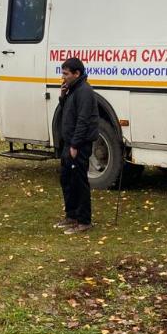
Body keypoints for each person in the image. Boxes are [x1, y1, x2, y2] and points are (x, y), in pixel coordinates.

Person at [55, 57, 99, 234]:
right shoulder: (72, 90)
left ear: (76, 73)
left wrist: (75, 144)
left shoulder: (84, 91)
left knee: (79, 182)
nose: (63, 77)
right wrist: (63, 96)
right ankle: (71, 215)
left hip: (78, 144)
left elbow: (83, 120)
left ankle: (84, 220)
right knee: (66, 179)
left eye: (65, 74)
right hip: (69, 143)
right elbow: (68, 113)